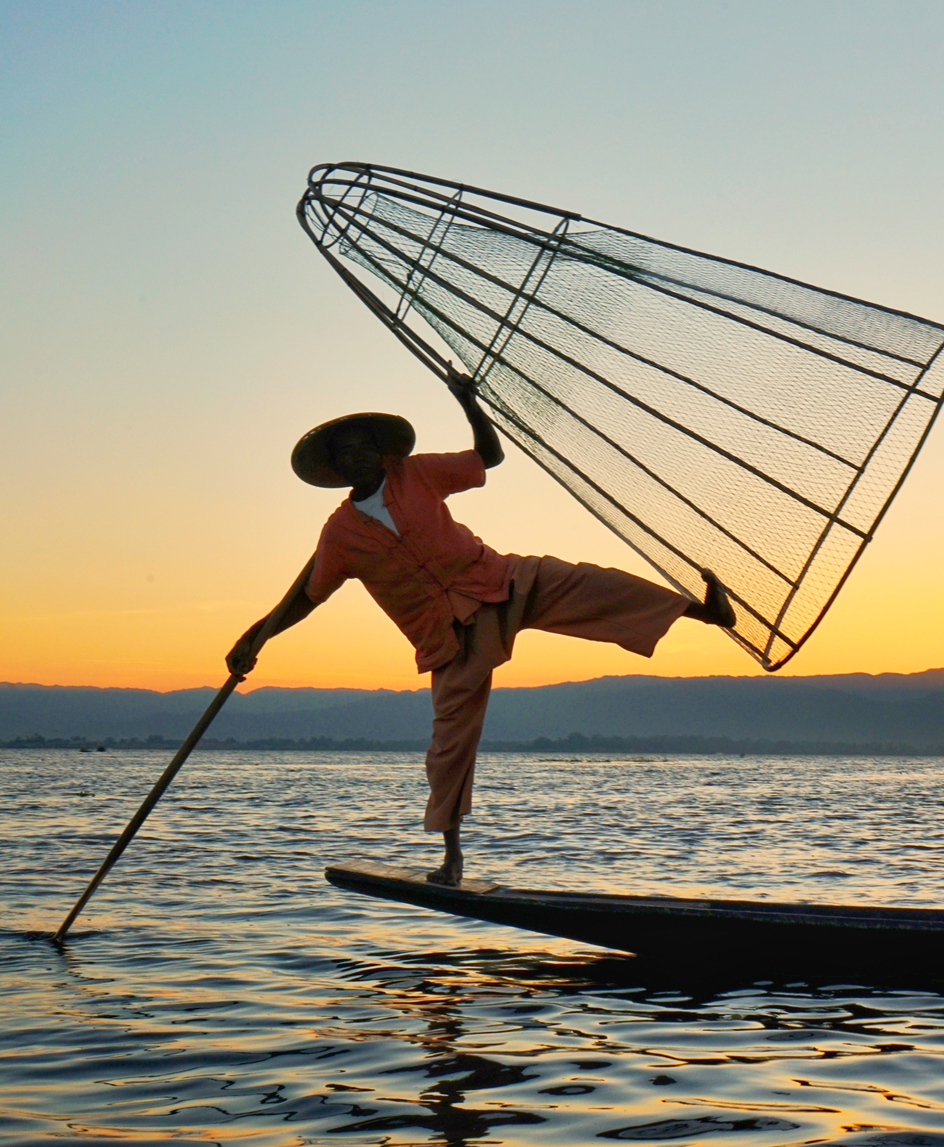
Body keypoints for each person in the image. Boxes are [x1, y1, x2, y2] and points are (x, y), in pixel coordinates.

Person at [227, 374, 735, 886]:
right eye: (347, 453)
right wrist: (255, 638)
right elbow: (306, 598)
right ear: (338, 469)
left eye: (365, 447)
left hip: (498, 581)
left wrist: (470, 404)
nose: (359, 457)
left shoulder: (416, 474)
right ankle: (452, 857)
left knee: (590, 584)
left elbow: (487, 458)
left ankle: (705, 612)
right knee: (449, 746)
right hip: (446, 637)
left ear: (383, 454)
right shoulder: (340, 534)